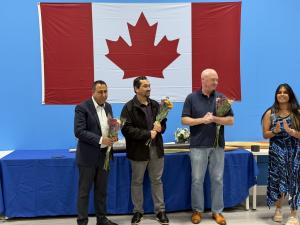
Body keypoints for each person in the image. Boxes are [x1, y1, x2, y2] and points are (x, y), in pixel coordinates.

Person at [181, 68, 234, 225]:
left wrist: (215, 119)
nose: (216, 83)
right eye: (213, 80)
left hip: (218, 145)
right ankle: (197, 211)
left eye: (217, 80)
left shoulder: (221, 98)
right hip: (198, 145)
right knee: (197, 179)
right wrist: (201, 120)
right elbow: (184, 120)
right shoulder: (191, 98)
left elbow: (231, 120)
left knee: (217, 179)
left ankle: (217, 212)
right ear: (203, 80)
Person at [121, 76, 169, 225]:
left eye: (149, 86)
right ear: (136, 89)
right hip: (138, 151)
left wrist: (161, 128)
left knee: (157, 181)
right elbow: (126, 130)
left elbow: (162, 124)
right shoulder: (128, 107)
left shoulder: (155, 105)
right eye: (145, 86)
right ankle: (137, 211)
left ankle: (160, 211)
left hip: (156, 149)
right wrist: (147, 134)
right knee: (137, 182)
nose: (148, 88)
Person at [74, 80, 118, 225]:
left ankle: (102, 219)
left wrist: (113, 135)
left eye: (105, 91)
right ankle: (82, 221)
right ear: (93, 92)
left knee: (101, 191)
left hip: (104, 155)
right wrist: (101, 140)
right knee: (84, 192)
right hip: (87, 157)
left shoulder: (109, 107)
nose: (104, 95)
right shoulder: (82, 107)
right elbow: (79, 132)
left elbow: (109, 128)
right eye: (100, 92)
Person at [261, 83, 300, 225]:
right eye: (279, 92)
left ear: (290, 95)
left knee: (294, 181)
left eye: (285, 92)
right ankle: (278, 210)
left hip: (294, 152)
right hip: (276, 152)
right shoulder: (269, 113)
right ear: (276, 95)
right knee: (277, 180)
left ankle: (293, 214)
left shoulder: (297, 113)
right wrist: (275, 131)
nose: (282, 94)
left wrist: (292, 132)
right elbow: (265, 134)